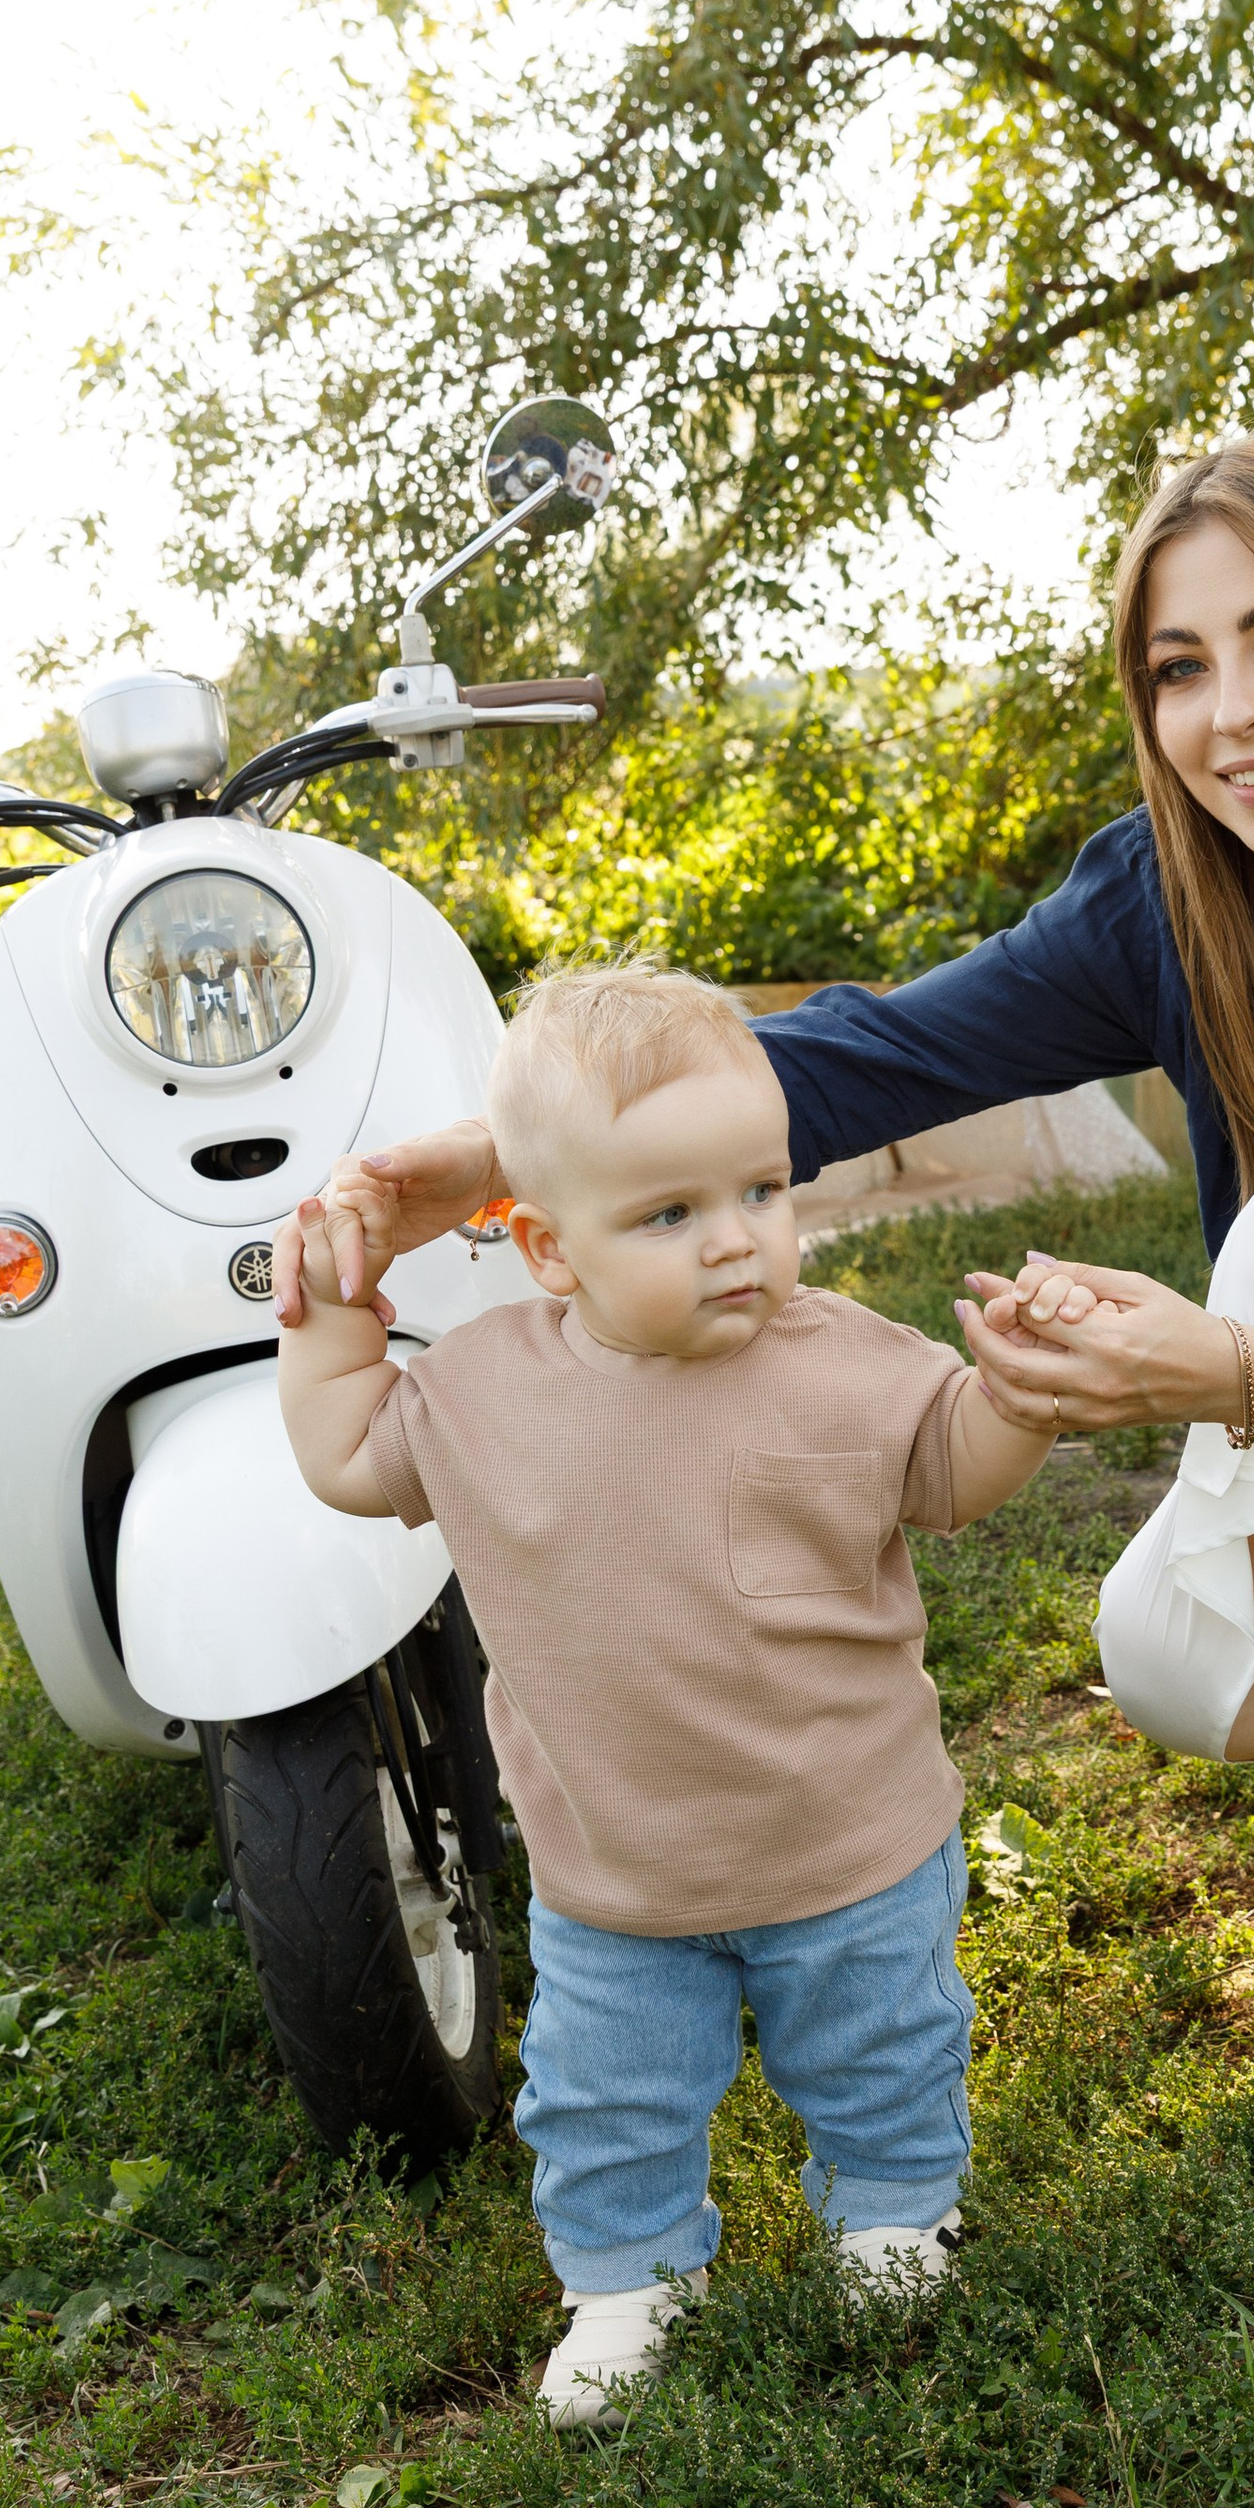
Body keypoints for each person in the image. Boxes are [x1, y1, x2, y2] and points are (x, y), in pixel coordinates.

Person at [280, 433, 1254, 2104]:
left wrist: (1241, 1377)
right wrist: (488, 1164)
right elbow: (876, 1059)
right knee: (1193, 1659)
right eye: (1179, 668)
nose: (1234, 713)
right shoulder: (1172, 901)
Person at [274, 962, 1061, 2423]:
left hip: (852, 1841)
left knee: (885, 2041)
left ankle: (892, 2215)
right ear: (546, 1251)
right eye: (668, 1216)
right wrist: (330, 1311)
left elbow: (950, 1467)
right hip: (617, 1873)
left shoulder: (850, 1363)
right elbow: (343, 1449)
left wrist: (1012, 1395)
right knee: (604, 2095)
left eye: (761, 1192)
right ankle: (632, 2280)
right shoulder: (479, 1394)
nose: (736, 1245)